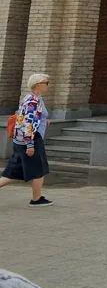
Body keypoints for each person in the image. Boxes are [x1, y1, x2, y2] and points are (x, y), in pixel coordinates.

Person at [0, 74, 53, 206]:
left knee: (13, 172)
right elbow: (27, 124)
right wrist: (30, 145)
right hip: (30, 140)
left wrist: (43, 121)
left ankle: (37, 198)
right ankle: (36, 200)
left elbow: (22, 116)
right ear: (38, 85)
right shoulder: (33, 102)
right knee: (39, 169)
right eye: (46, 83)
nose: (48, 85)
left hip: (23, 140)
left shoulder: (33, 98)